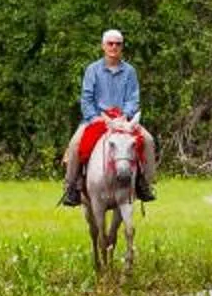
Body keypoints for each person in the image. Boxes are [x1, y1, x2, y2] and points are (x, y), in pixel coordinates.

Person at [60, 29, 157, 206]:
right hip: (97, 119)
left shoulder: (130, 72)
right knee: (75, 144)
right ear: (103, 46)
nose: (114, 47)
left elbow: (133, 98)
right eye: (110, 43)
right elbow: (86, 98)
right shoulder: (92, 70)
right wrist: (95, 117)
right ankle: (71, 187)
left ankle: (145, 184)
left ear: (122, 47)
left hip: (123, 121)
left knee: (148, 140)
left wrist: (125, 117)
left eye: (117, 44)